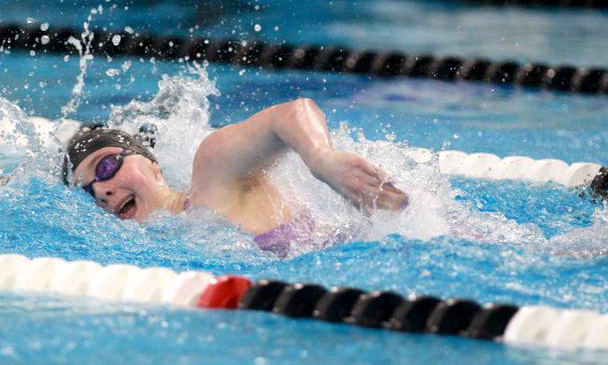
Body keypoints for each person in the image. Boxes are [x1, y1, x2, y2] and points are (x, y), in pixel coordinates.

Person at [62, 98, 408, 256]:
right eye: (88, 192)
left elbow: (288, 114)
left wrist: (322, 159)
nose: (103, 191)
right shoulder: (168, 244)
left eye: (105, 166)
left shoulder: (213, 176)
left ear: (152, 164)